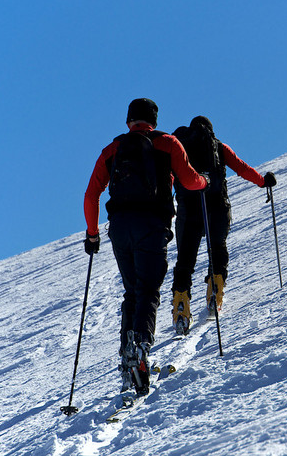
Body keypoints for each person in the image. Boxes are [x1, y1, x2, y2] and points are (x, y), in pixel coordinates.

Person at [83, 98, 208, 395]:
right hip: (152, 226)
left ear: (129, 121)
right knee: (149, 290)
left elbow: (90, 195)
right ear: (154, 119)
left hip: (121, 228)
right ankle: (140, 347)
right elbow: (189, 181)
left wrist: (92, 234)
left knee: (132, 291)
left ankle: (128, 356)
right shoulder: (168, 143)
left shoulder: (112, 150)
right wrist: (204, 182)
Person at [171, 115, 276, 335]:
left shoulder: (182, 149)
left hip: (188, 211)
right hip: (216, 207)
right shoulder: (217, 146)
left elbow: (168, 178)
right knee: (217, 248)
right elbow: (243, 168)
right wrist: (263, 182)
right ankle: (214, 292)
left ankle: (181, 305)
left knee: (185, 260)